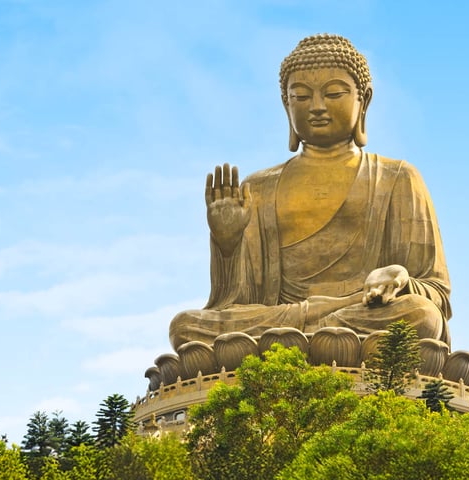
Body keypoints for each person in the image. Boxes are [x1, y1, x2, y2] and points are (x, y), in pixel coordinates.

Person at [170, 34, 451, 351]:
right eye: (301, 97)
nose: (317, 107)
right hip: (282, 321)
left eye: (333, 93)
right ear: (285, 104)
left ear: (364, 101)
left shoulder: (398, 177)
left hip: (361, 313)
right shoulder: (258, 188)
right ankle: (311, 338)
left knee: (421, 316)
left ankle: (302, 341)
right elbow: (233, 305)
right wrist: (228, 244)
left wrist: (400, 277)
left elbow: (435, 292)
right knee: (184, 327)